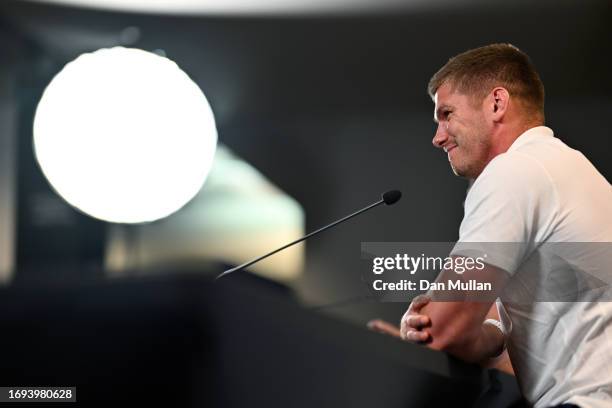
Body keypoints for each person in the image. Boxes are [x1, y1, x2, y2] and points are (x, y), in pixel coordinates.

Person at [368, 43, 612, 408]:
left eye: (447, 114)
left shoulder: (513, 172)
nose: (438, 136)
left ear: (497, 103)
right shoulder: (576, 173)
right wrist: (464, 329)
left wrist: (425, 326)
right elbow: (498, 339)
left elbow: (443, 329)